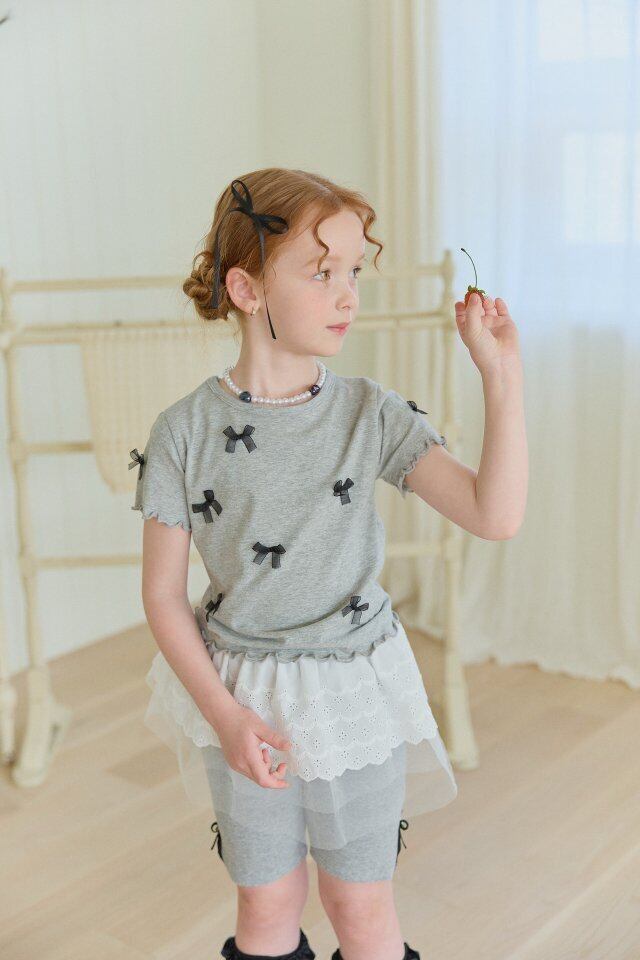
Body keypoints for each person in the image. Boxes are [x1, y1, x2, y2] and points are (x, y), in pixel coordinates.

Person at [130, 168, 525, 960]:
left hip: (354, 693)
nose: (348, 295)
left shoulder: (371, 414)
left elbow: (495, 515)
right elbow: (164, 598)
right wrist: (225, 717)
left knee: (361, 905)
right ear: (247, 289)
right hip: (242, 694)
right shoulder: (182, 432)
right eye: (322, 273)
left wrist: (501, 375)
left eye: (353, 272)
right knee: (266, 901)